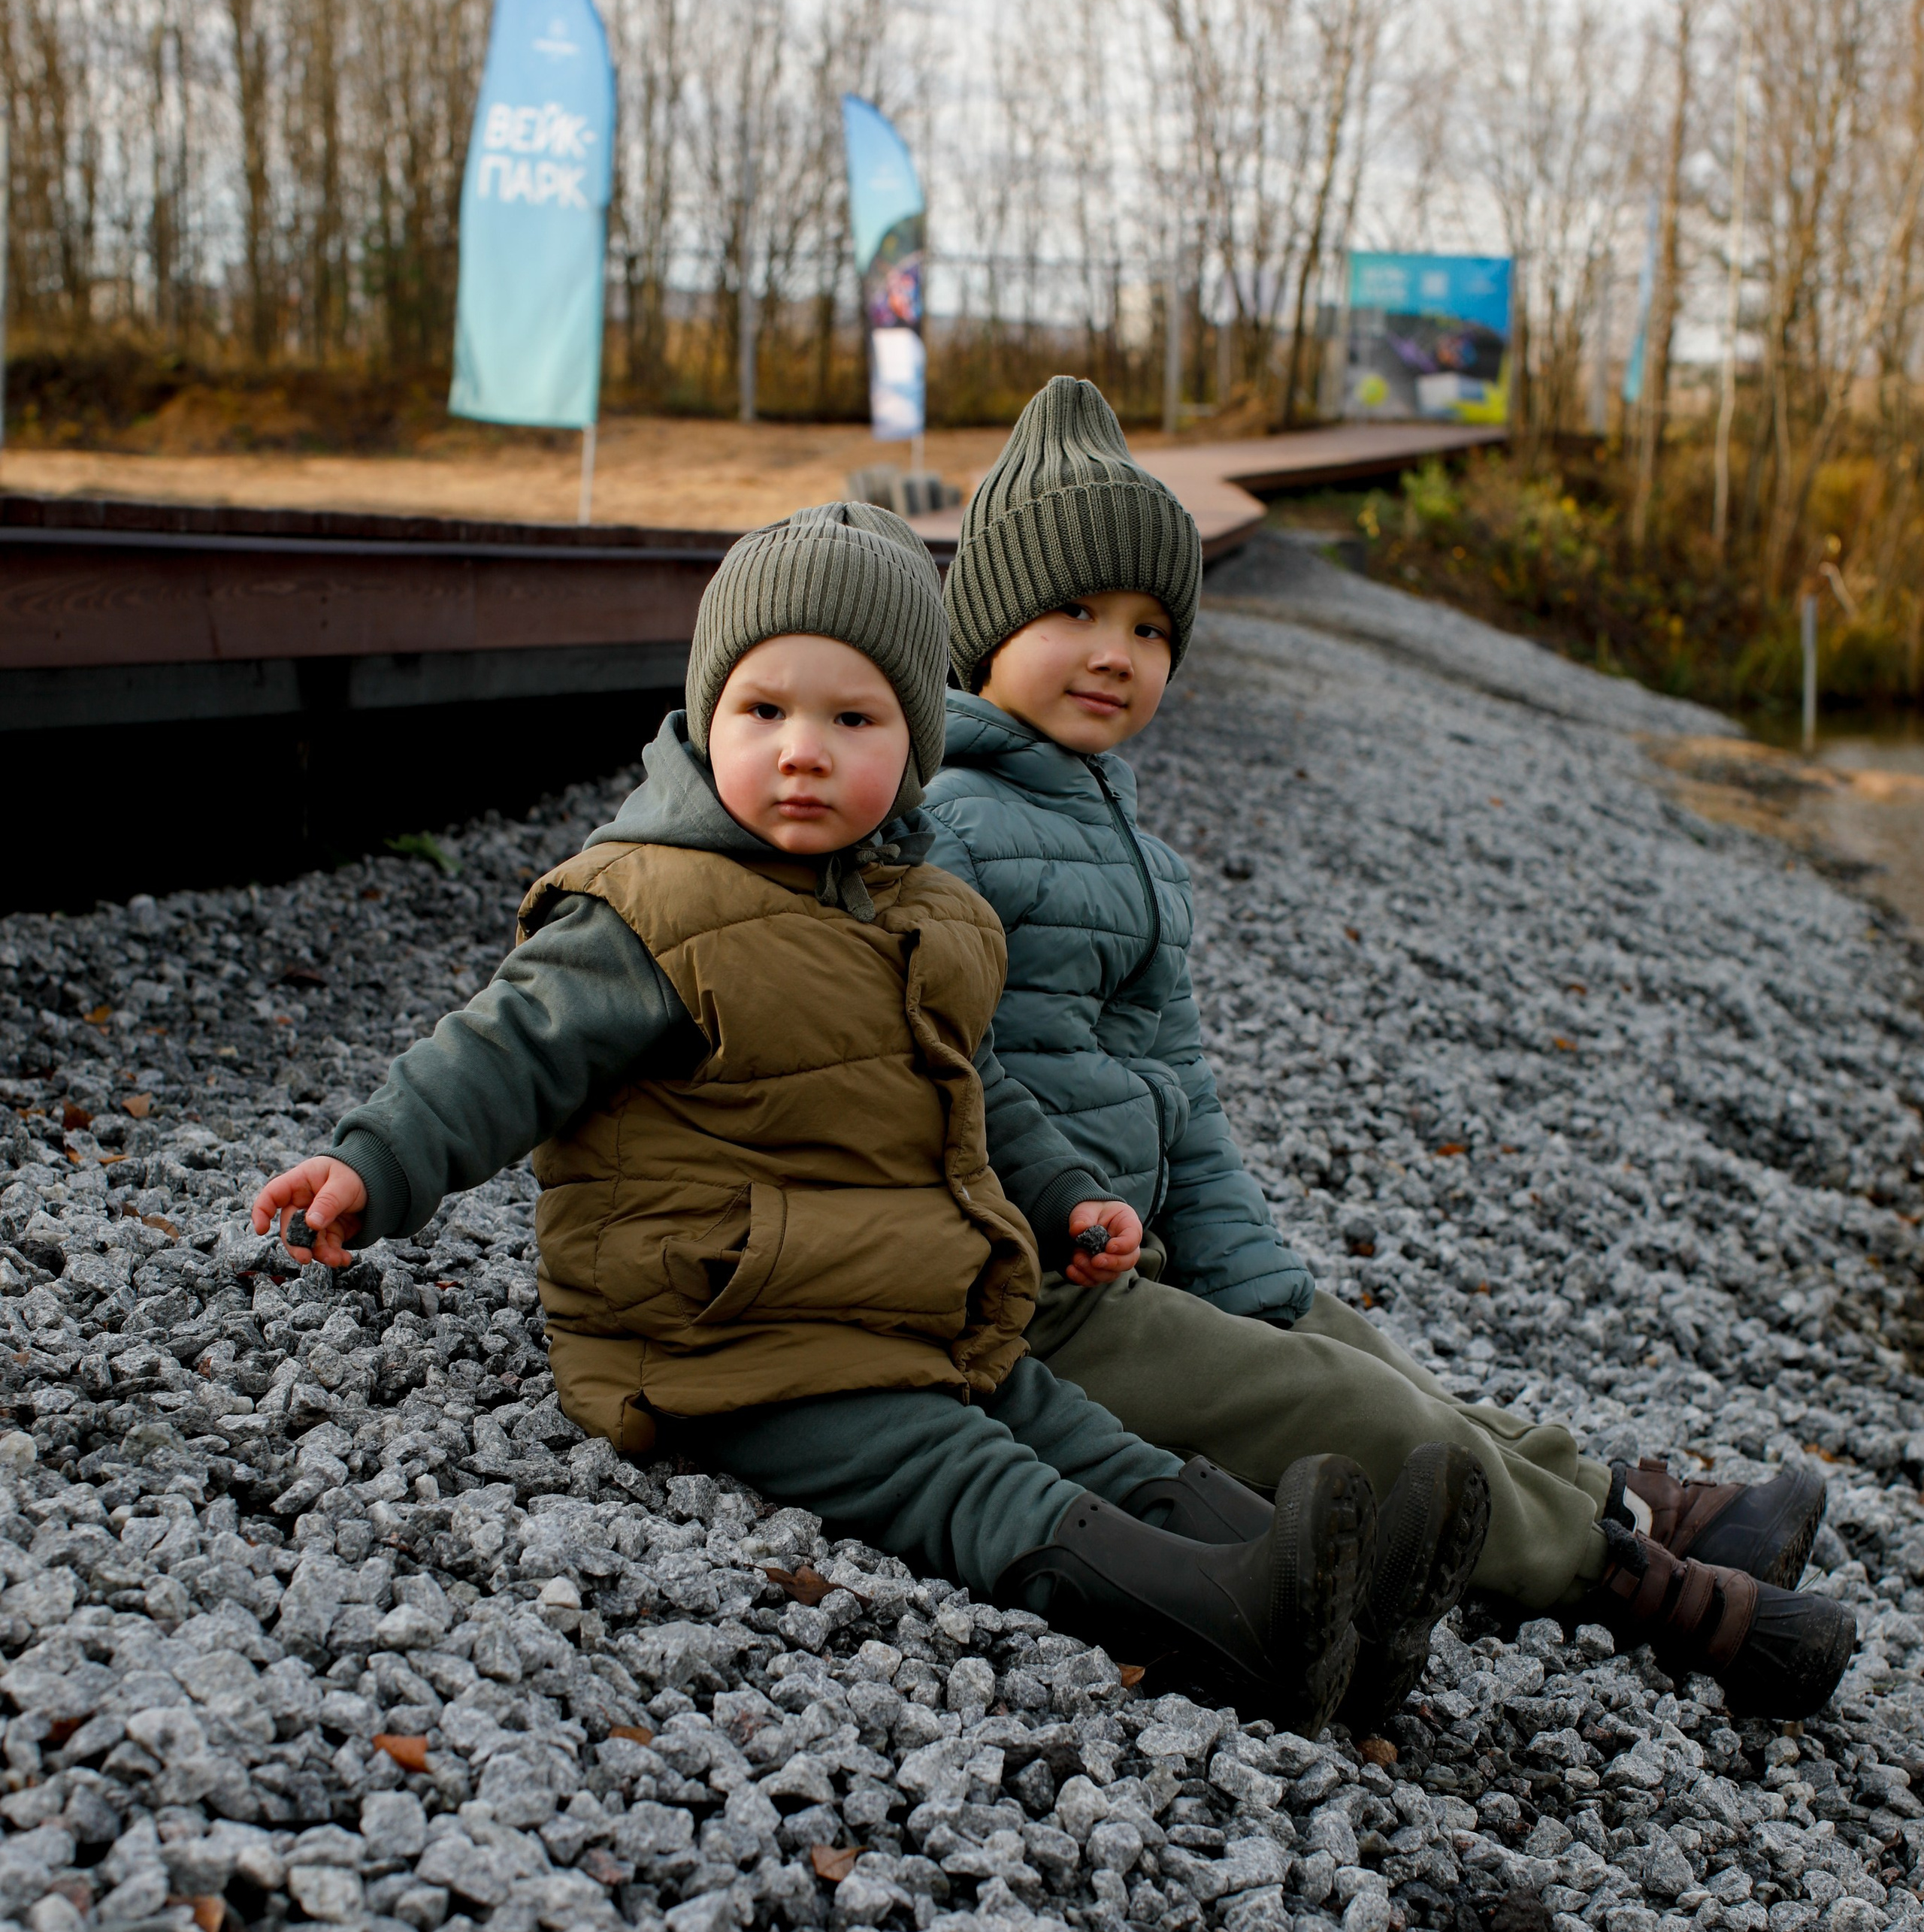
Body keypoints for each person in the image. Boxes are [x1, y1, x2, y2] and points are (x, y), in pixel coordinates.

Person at [250, 500, 1460, 1734]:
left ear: (916, 745)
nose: (803, 751)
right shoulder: (646, 906)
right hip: (727, 1329)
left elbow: (978, 1093)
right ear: (705, 717)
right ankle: (1239, 1626)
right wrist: (371, 1164)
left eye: (853, 720)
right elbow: (501, 1053)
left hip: (899, 1302)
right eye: (763, 711)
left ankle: (1340, 1601)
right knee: (960, 1471)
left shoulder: (930, 912)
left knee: (1065, 1422)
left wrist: (1065, 1198)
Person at [921, 375, 1853, 1725]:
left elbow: (1183, 1095)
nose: (1115, 651)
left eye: (1150, 626)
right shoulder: (949, 826)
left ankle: (1640, 1503)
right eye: (1073, 612)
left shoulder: (1140, 856)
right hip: (1040, 1295)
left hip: (1148, 1255)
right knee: (1371, 1421)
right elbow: (955, 1073)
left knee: (1358, 1351)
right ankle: (1645, 1587)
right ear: (988, 627)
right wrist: (1078, 1222)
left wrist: (1259, 1281)